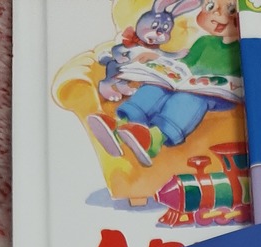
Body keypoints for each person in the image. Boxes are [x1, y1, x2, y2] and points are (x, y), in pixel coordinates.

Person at [88, 0, 241, 166]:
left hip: (216, 95)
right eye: (211, 7)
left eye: (230, 9)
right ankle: (121, 126)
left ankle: (154, 139)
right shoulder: (204, 42)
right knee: (156, 87)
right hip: (187, 83)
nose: (216, 14)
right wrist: (158, 59)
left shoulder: (244, 49)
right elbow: (185, 65)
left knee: (187, 99)